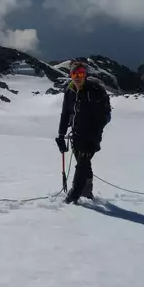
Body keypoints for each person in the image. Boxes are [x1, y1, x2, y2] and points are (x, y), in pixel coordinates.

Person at [55, 60, 112, 204]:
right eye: (74, 73)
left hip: (91, 136)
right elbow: (65, 114)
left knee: (82, 163)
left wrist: (93, 138)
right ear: (70, 75)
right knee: (84, 164)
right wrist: (61, 136)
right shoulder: (69, 91)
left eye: (80, 73)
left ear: (85, 75)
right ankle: (87, 194)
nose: (77, 77)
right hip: (76, 135)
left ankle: (73, 196)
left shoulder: (94, 91)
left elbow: (103, 117)